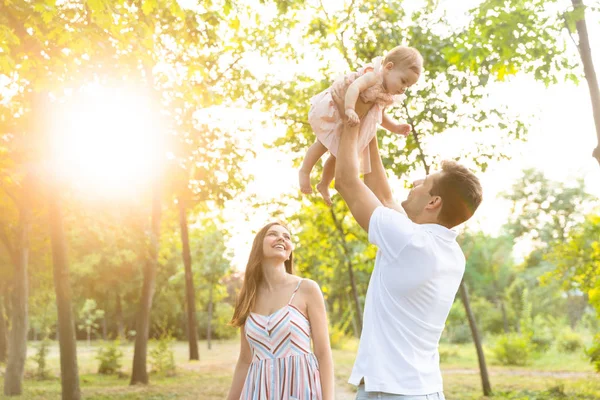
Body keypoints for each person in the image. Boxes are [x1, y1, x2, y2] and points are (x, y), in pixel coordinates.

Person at [334, 121, 483, 399]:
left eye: (423, 183)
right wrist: (372, 125)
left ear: (433, 202)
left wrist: (353, 120)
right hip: (425, 389)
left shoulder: (409, 242)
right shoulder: (448, 252)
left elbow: (345, 181)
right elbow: (384, 196)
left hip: (389, 392)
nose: (414, 183)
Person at [299, 45, 423, 206]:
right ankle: (305, 171)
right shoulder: (372, 76)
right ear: (388, 67)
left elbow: (379, 116)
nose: (403, 89)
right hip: (339, 110)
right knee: (322, 144)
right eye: (403, 81)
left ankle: (324, 183)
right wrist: (349, 109)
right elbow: (354, 88)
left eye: (408, 87)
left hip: (351, 122)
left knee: (338, 156)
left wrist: (395, 128)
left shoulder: (385, 95)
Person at [226, 222, 334, 400]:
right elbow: (245, 359)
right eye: (273, 234)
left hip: (301, 390)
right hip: (259, 392)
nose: (281, 238)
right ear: (258, 246)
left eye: (287, 236)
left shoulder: (306, 288)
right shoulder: (247, 297)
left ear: (290, 250)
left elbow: (323, 353)